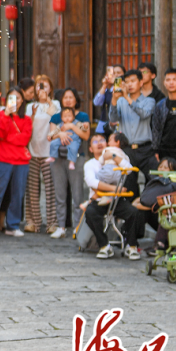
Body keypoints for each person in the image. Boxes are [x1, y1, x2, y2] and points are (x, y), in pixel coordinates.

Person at [82, 134, 141, 260]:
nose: (99, 143)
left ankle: (131, 246)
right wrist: (115, 189)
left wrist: (114, 156)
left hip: (116, 200)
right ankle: (104, 245)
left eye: (102, 140)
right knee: (90, 213)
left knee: (134, 212)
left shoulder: (117, 156)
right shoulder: (90, 164)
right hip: (99, 200)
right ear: (90, 149)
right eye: (95, 141)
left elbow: (129, 170)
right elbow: (92, 182)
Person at [47, 89, 90, 239]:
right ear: (61, 100)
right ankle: (61, 227)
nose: (68, 100)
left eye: (71, 97)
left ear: (76, 100)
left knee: (78, 194)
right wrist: (60, 133)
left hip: (76, 158)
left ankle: (78, 227)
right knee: (60, 194)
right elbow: (51, 136)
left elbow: (86, 135)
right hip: (58, 158)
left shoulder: (82, 116)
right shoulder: (56, 117)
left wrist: (71, 127)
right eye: (65, 97)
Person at [0, 87, 33, 237]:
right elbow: (0, 133)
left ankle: (12, 225)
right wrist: (6, 115)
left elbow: (24, 139)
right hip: (3, 158)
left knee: (18, 194)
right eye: (11, 98)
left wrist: (8, 137)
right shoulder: (0, 115)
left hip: (21, 161)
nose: (15, 101)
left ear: (22, 100)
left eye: (18, 98)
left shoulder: (26, 119)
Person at [24, 75, 60, 233]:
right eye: (39, 86)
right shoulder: (30, 106)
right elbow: (27, 125)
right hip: (33, 150)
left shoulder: (55, 104)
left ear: (50, 88)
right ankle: (33, 221)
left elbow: (57, 118)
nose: (41, 89)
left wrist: (48, 101)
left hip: (49, 151)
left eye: (44, 85)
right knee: (32, 189)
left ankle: (52, 222)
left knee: (50, 189)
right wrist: (33, 113)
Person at [110, 70, 158, 186]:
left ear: (141, 83)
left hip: (145, 149)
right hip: (127, 150)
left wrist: (127, 97)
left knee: (154, 180)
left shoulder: (149, 101)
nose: (129, 84)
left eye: (132, 81)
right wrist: (114, 100)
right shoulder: (120, 102)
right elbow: (113, 119)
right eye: (126, 82)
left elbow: (144, 114)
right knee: (128, 184)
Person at [93, 64, 125, 135]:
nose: (116, 75)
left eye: (118, 73)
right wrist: (104, 85)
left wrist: (116, 82)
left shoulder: (125, 89)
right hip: (104, 124)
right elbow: (96, 102)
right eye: (113, 73)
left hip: (119, 125)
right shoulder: (108, 90)